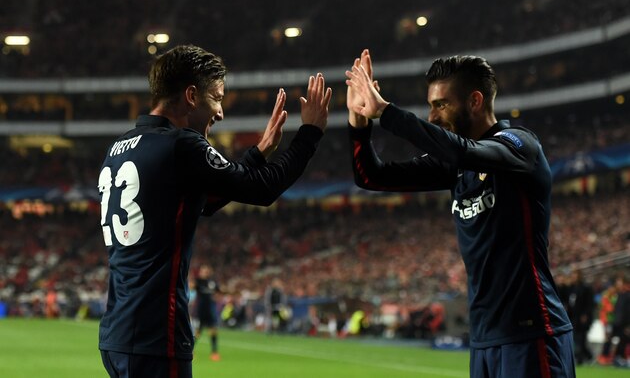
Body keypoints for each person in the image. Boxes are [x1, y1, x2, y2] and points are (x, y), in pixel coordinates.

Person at [98, 44, 331, 378]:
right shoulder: (182, 144)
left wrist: (259, 152)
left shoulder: (119, 149)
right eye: (217, 98)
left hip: (117, 335)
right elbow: (262, 190)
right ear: (191, 95)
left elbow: (204, 200)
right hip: (155, 339)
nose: (220, 113)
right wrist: (310, 134)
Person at [345, 50, 575, 378]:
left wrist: (386, 112)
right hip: (483, 340)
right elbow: (371, 176)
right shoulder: (454, 167)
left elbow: (462, 150)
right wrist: (358, 120)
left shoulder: (519, 146)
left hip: (531, 333)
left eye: (441, 104)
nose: (433, 116)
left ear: (475, 101)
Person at [193, 264, 221, 361]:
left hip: (210, 310)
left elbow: (218, 292)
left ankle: (214, 353)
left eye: (207, 271)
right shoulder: (197, 281)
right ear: (200, 272)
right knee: (197, 332)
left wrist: (216, 297)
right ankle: (190, 351)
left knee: (213, 330)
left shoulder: (212, 282)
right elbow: (191, 288)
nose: (206, 272)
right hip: (200, 310)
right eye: (204, 270)